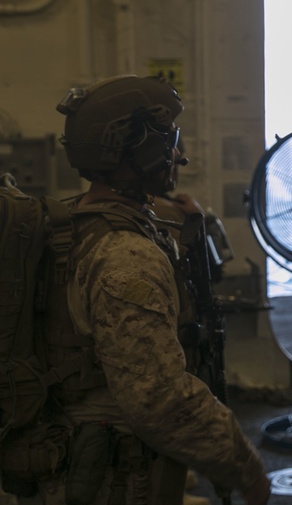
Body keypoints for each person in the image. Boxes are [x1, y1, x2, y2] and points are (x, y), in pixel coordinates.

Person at [14, 75, 271, 505]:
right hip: (107, 477)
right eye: (170, 140)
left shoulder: (75, 224)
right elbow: (159, 397)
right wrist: (245, 467)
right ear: (141, 150)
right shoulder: (126, 253)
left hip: (71, 460)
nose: (178, 155)